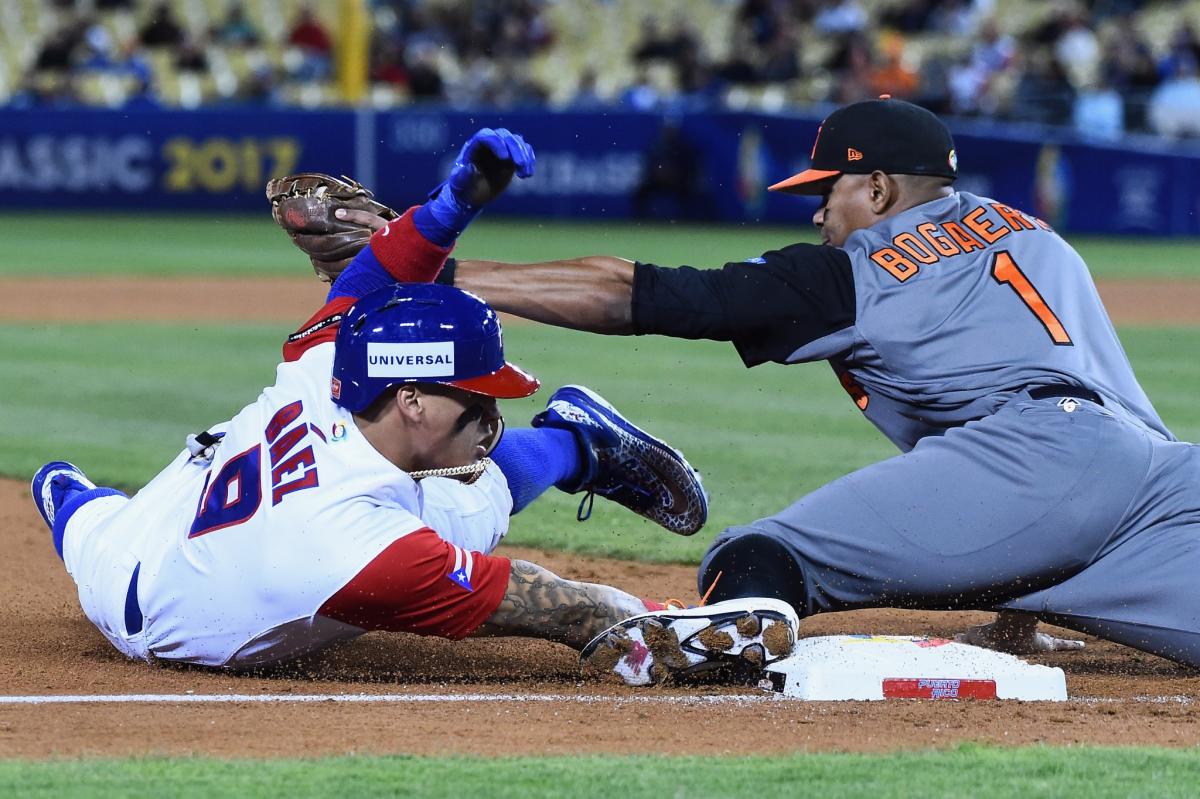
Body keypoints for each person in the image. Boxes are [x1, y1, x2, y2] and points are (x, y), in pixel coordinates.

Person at [346, 99, 1200, 681]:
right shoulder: (1038, 236)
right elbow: (1074, 432)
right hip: (1154, 470)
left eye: (827, 194)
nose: (818, 215)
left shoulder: (859, 269)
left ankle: (717, 664)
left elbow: (637, 294)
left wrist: (441, 273)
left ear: (878, 189)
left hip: (1034, 456)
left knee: (752, 562)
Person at [31, 129, 796, 679]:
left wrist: (455, 201)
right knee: (73, 504)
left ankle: (579, 446)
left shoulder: (329, 355)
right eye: (477, 400)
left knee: (468, 479)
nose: (494, 418)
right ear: (411, 402)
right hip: (137, 577)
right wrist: (668, 630)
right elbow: (565, 609)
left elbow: (371, 281)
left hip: (258, 473)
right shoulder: (369, 551)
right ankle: (578, 443)